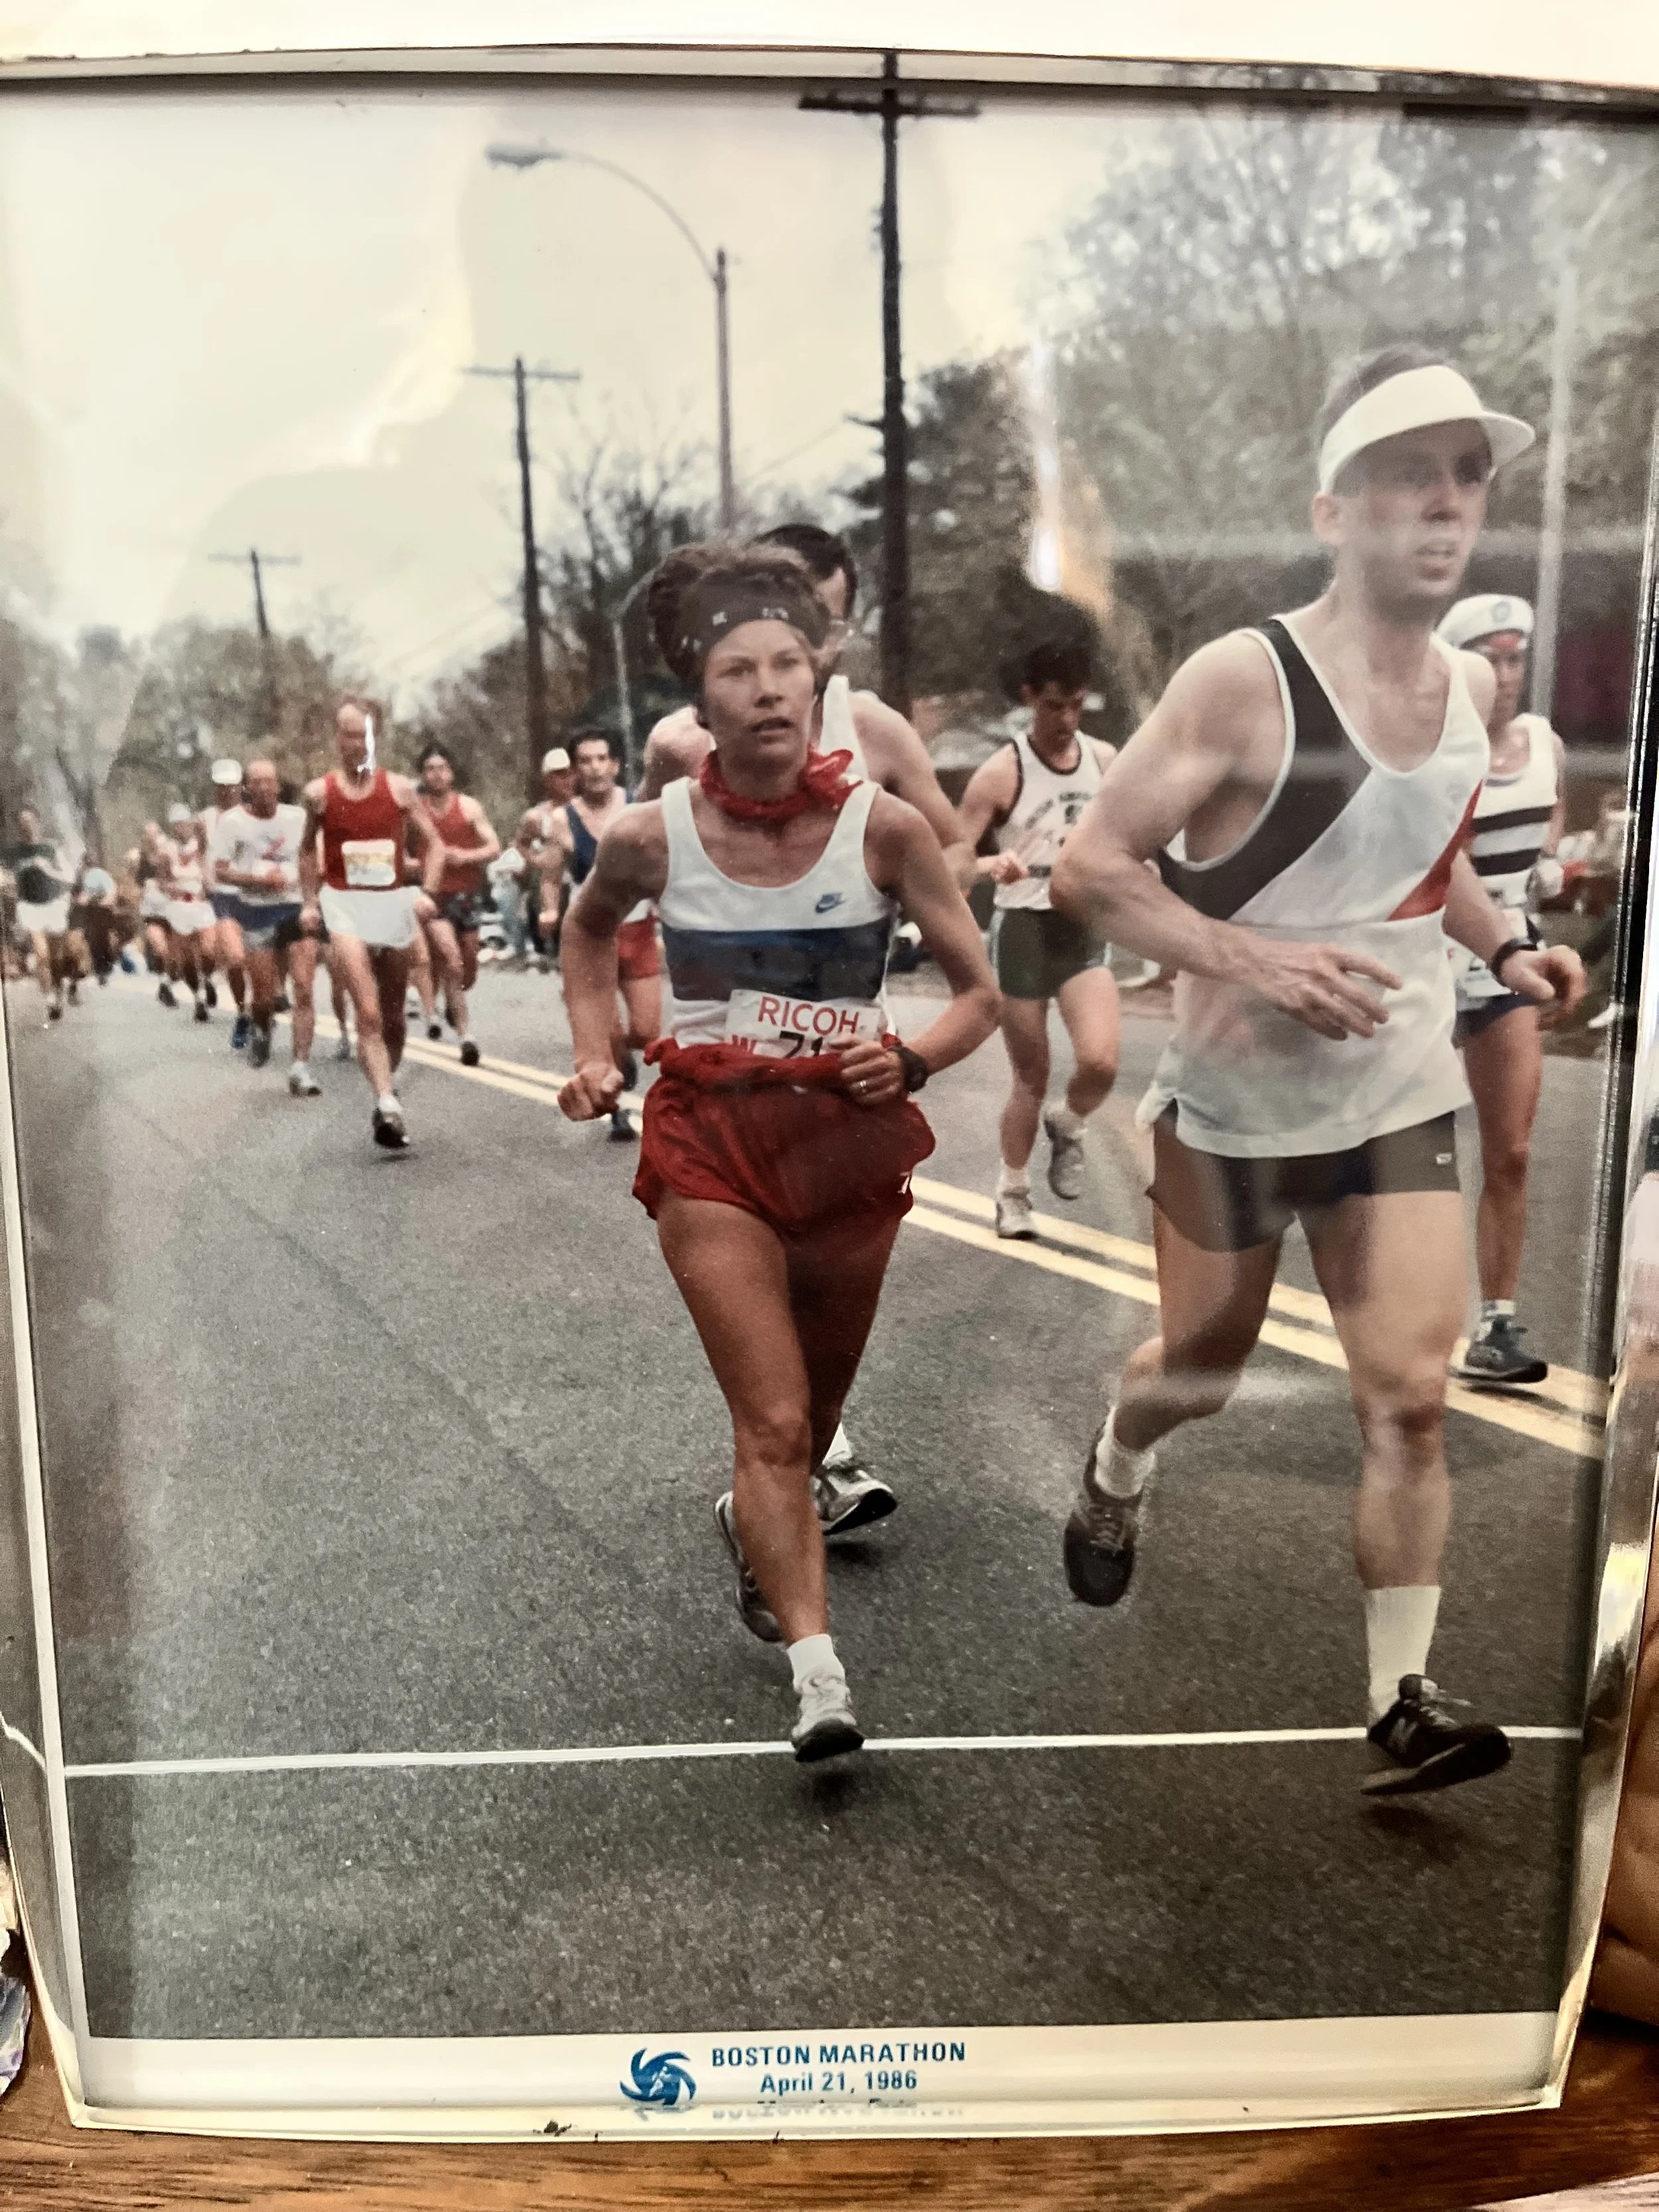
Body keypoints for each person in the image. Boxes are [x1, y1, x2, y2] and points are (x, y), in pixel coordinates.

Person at [1050, 345, 1585, 1797]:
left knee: (1407, 1394)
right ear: (1332, 510)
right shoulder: (1243, 677)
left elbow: (1429, 859)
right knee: (1200, 1374)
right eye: (1406, 474)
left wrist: (1507, 946)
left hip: (1395, 1092)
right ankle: (1115, 1458)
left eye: (1466, 475)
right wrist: (1244, 956)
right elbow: (1088, 864)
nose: (1442, 501)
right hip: (1231, 1105)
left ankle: (1398, 1697)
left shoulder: (1472, 694)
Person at [559, 543, 999, 1760]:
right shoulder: (652, 834)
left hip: (847, 1145)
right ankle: (820, 1675)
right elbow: (587, 934)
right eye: (736, 668)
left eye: (786, 665)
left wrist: (911, 1058)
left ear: (819, 681)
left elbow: (979, 996)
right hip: (711, 1144)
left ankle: (756, 1524)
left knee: (814, 1414)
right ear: (699, 699)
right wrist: (597, 1051)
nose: (764, 687)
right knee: (776, 1424)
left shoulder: (888, 828)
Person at [638, 521, 970, 1530]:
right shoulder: (684, 744)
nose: (798, 660)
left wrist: (912, 870)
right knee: (761, 1293)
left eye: (822, 626)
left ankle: (809, 1444)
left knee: (830, 1282)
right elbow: (668, 873)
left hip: (842, 1071)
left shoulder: (879, 731)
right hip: (729, 1077)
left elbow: (944, 835)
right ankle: (807, 1458)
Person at [1435, 594, 1566, 1388]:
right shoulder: (1440, 749)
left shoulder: (1542, 741)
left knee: (1510, 1149)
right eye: (1490, 657)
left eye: (1517, 657)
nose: (1507, 674)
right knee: (1401, 1149)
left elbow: (1547, 818)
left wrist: (1543, 866)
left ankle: (1494, 1324)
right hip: (1423, 955)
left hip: (1505, 958)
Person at [958, 638, 1121, 1238]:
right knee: (1032, 1073)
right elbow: (950, 859)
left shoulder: (1105, 758)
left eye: (1077, 705)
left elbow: (1129, 835)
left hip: (1080, 927)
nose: (1067, 720)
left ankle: (1070, 1124)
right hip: (1023, 929)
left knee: (1101, 1061)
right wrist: (986, 865)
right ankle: (1013, 1190)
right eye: (1055, 706)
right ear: (1030, 699)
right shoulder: (1002, 772)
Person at [298, 699, 444, 1149]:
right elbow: (306, 849)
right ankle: (386, 1102)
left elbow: (436, 844)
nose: (355, 743)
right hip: (344, 905)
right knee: (369, 1012)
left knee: (396, 1019)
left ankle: (386, 1084)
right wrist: (309, 901)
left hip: (391, 904)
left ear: (375, 739)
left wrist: (427, 894)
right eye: (347, 734)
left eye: (363, 735)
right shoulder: (319, 794)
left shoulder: (399, 790)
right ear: (336, 740)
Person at [561, 729, 659, 1142]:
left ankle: (624, 1060)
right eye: (586, 761)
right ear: (575, 770)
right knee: (609, 1030)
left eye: (602, 759)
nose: (595, 768)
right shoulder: (561, 820)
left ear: (616, 765)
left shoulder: (640, 809)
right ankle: (617, 1106)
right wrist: (550, 906)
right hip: (595, 935)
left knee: (647, 1030)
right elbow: (553, 874)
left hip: (639, 929)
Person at [212, 758, 320, 1088]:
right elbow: (221, 870)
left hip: (293, 907)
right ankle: (261, 1029)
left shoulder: (297, 818)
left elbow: (315, 856)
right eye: (255, 782)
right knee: (262, 997)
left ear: (278, 785)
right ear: (246, 788)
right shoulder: (232, 822)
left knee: (303, 987)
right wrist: (258, 881)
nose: (263, 788)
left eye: (269, 782)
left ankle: (301, 1064)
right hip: (256, 910)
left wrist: (310, 893)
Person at [411, 743, 500, 1067]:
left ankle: (451, 1002)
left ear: (451, 773)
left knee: (467, 969)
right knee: (450, 957)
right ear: (422, 775)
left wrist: (466, 856)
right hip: (434, 896)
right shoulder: (416, 810)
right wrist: (418, 866)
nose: (436, 774)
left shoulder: (469, 807)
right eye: (429, 769)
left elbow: (494, 846)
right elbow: (398, 850)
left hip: (467, 895)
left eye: (442, 768)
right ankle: (466, 1036)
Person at [4, 806, 76, 1023]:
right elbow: (5, 876)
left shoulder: (50, 850)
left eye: (30, 821)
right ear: (19, 826)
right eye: (22, 822)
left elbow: (69, 877)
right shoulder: (12, 852)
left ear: (38, 823)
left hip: (53, 905)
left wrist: (47, 870)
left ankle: (58, 987)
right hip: (29, 906)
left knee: (57, 958)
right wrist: (7, 882)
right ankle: (51, 1000)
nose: (27, 825)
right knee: (42, 955)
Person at [198, 758, 250, 1043]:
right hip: (223, 895)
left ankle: (266, 1003)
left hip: (253, 894)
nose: (226, 792)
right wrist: (205, 878)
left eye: (231, 786)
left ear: (241, 787)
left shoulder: (253, 814)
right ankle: (242, 1013)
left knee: (259, 958)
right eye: (221, 787)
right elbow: (202, 853)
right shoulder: (205, 819)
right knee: (234, 957)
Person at [516, 745, 575, 969]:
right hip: (552, 887)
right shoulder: (537, 817)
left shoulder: (584, 809)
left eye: (569, 774)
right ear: (548, 780)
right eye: (559, 775)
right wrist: (537, 861)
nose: (567, 780)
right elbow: (521, 844)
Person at [160, 804, 215, 1020]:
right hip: (179, 906)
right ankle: (199, 997)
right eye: (178, 825)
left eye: (185, 824)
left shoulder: (200, 845)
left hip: (200, 904)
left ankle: (208, 979)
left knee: (209, 950)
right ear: (173, 828)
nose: (182, 829)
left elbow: (206, 851)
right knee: (187, 958)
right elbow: (163, 879)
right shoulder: (166, 851)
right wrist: (168, 887)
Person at [72, 856, 121, 985]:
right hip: (91, 911)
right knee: (95, 940)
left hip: (98, 911)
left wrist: (96, 902)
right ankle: (100, 969)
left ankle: (101, 969)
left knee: (98, 940)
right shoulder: (82, 876)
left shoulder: (96, 874)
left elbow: (110, 893)